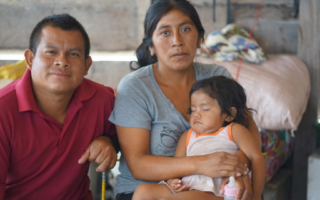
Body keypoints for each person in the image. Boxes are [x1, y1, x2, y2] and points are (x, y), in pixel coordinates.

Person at [109, 0, 261, 199]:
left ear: (199, 39)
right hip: (150, 189)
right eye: (165, 32)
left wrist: (236, 166)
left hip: (214, 185)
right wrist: (202, 164)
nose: (177, 41)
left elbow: (248, 129)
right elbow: (138, 165)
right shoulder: (136, 87)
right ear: (151, 46)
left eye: (186, 29)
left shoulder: (216, 77)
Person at [0, 14, 119, 200]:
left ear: (87, 65)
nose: (62, 62)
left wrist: (109, 142)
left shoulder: (102, 100)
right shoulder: (3, 110)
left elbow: (125, 136)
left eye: (73, 54)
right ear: (30, 59)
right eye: (51, 52)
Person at [132, 76, 266, 200]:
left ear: (229, 114)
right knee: (143, 191)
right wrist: (172, 181)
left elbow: (256, 157)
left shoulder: (233, 130)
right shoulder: (188, 136)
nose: (196, 115)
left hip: (214, 190)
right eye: (193, 109)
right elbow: (177, 166)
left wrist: (257, 193)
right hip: (187, 186)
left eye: (205, 109)